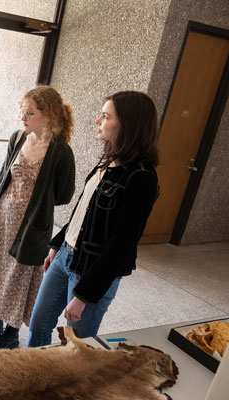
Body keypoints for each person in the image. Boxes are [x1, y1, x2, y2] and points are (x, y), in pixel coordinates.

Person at [27, 90, 160, 347]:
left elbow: (121, 246)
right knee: (39, 324)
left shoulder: (141, 177)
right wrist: (58, 244)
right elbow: (83, 210)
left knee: (78, 347)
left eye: (105, 116)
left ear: (128, 125)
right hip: (67, 254)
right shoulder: (108, 161)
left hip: (92, 271)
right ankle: (37, 379)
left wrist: (84, 296)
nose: (98, 121)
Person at [0, 86, 76, 349]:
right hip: (3, 219)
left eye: (30, 112)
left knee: (18, 276)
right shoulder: (18, 138)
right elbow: (3, 178)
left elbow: (64, 194)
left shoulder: (61, 151)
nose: (23, 117)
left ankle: (11, 330)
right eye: (23, 111)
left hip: (31, 226)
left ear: (49, 115)